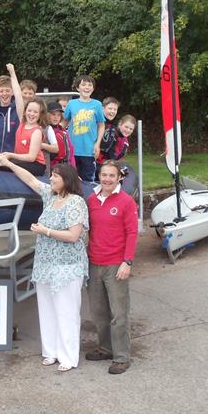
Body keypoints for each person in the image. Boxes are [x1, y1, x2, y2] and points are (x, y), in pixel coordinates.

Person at [0, 156, 89, 372]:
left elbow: (74, 235)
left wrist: (44, 230)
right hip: (45, 264)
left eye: (55, 176)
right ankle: (51, 352)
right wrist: (9, 164)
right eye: (52, 175)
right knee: (47, 309)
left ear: (67, 179)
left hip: (67, 266)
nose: (51, 179)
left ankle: (68, 357)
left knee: (67, 310)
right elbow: (30, 180)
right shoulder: (50, 196)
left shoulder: (75, 202)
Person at [85, 160, 139, 375]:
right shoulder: (91, 199)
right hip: (94, 262)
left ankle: (122, 357)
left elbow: (132, 233)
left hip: (116, 264)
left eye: (111, 175)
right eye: (104, 175)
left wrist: (127, 261)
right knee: (99, 312)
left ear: (119, 178)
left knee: (119, 313)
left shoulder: (126, 202)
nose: (107, 179)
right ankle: (106, 348)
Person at [63, 75, 105, 183]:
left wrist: (97, 144)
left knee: (87, 181)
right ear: (78, 88)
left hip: (89, 150)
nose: (87, 87)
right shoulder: (71, 104)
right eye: (83, 84)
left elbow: (101, 125)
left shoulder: (97, 104)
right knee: (71, 180)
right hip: (72, 150)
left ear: (93, 89)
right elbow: (64, 122)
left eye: (90, 85)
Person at [0, 99, 48, 176]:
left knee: (4, 166)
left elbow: (31, 157)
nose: (31, 114)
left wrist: (10, 155)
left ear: (40, 114)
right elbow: (18, 98)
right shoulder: (22, 122)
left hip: (36, 165)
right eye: (29, 110)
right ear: (25, 111)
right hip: (22, 161)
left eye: (35, 112)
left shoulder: (36, 132)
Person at [46, 101, 75, 168]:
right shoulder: (45, 130)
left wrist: (73, 168)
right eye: (53, 114)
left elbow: (71, 152)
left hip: (66, 166)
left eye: (58, 115)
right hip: (52, 167)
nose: (56, 117)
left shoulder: (63, 131)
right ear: (47, 114)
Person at [98, 97, 121, 165]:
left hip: (106, 161)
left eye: (115, 109)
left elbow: (111, 147)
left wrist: (113, 162)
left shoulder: (114, 126)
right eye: (110, 108)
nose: (112, 111)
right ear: (102, 108)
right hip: (94, 159)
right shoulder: (97, 123)